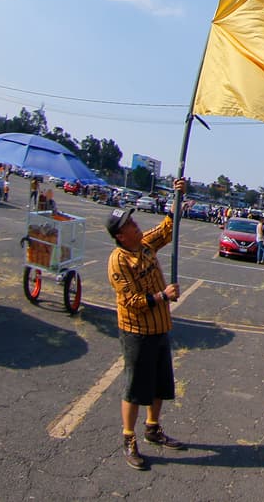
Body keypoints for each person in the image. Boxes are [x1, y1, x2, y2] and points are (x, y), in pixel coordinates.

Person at [107, 184, 186, 471]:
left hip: (159, 328)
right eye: (129, 224)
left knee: (159, 384)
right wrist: (164, 295)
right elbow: (131, 300)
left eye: (133, 220)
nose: (136, 224)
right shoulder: (119, 260)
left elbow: (167, 229)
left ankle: (153, 428)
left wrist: (178, 195)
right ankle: (129, 439)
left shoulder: (144, 245)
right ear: (120, 235)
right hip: (137, 332)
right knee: (135, 388)